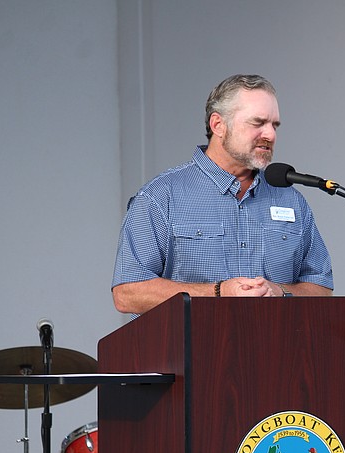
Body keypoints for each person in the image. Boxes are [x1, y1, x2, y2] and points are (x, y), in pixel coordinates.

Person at [112, 74, 333, 315]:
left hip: (276, 348)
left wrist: (279, 291)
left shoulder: (290, 200)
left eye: (274, 125)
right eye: (257, 123)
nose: (270, 135)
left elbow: (321, 289)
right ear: (218, 125)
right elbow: (128, 293)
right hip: (193, 349)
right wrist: (218, 292)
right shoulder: (160, 197)